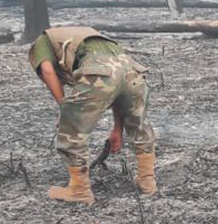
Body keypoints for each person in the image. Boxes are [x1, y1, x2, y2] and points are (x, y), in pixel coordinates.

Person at [28, 26, 157, 205]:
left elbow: (48, 71)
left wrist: (65, 108)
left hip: (101, 71)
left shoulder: (43, 40)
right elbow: (117, 88)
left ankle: (79, 191)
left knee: (72, 132)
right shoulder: (88, 35)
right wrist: (118, 129)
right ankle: (147, 181)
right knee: (139, 127)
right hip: (132, 70)